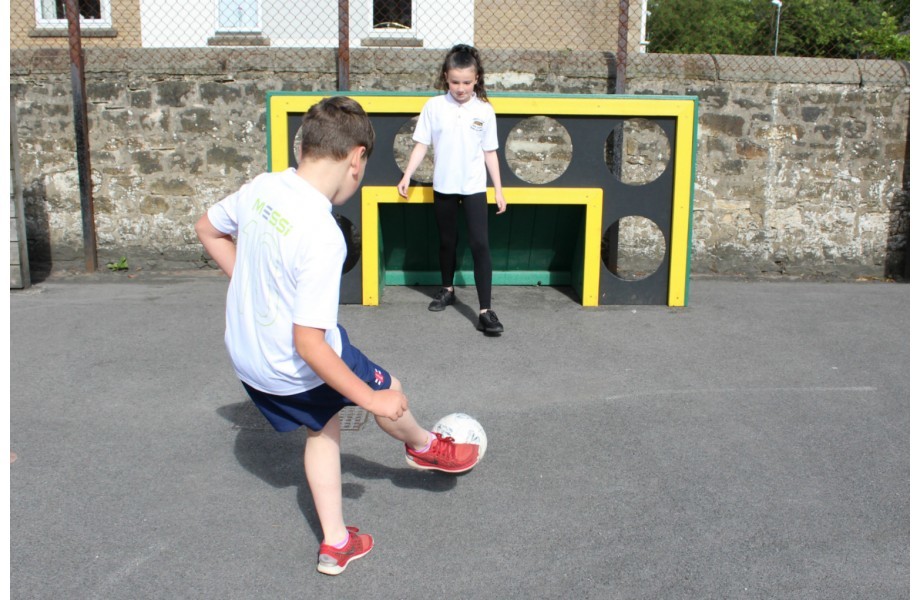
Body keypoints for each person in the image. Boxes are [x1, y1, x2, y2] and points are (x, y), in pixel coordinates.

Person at [195, 96, 479, 576]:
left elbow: (207, 228)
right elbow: (310, 345)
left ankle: (336, 543)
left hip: (248, 358)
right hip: (291, 362)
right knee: (389, 390)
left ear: (302, 146)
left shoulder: (261, 188)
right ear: (357, 159)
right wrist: (372, 399)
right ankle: (424, 445)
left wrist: (256, 288)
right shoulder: (324, 235)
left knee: (322, 425)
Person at [397, 44, 506, 336]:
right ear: (446, 77)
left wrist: (498, 189)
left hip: (473, 187)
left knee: (480, 244)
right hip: (443, 186)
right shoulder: (434, 107)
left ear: (477, 79)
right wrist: (407, 175)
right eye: (455, 81)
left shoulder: (484, 110)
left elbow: (490, 152)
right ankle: (447, 289)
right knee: (447, 241)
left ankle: (485, 311)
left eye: (467, 82)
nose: (461, 88)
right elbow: (421, 144)